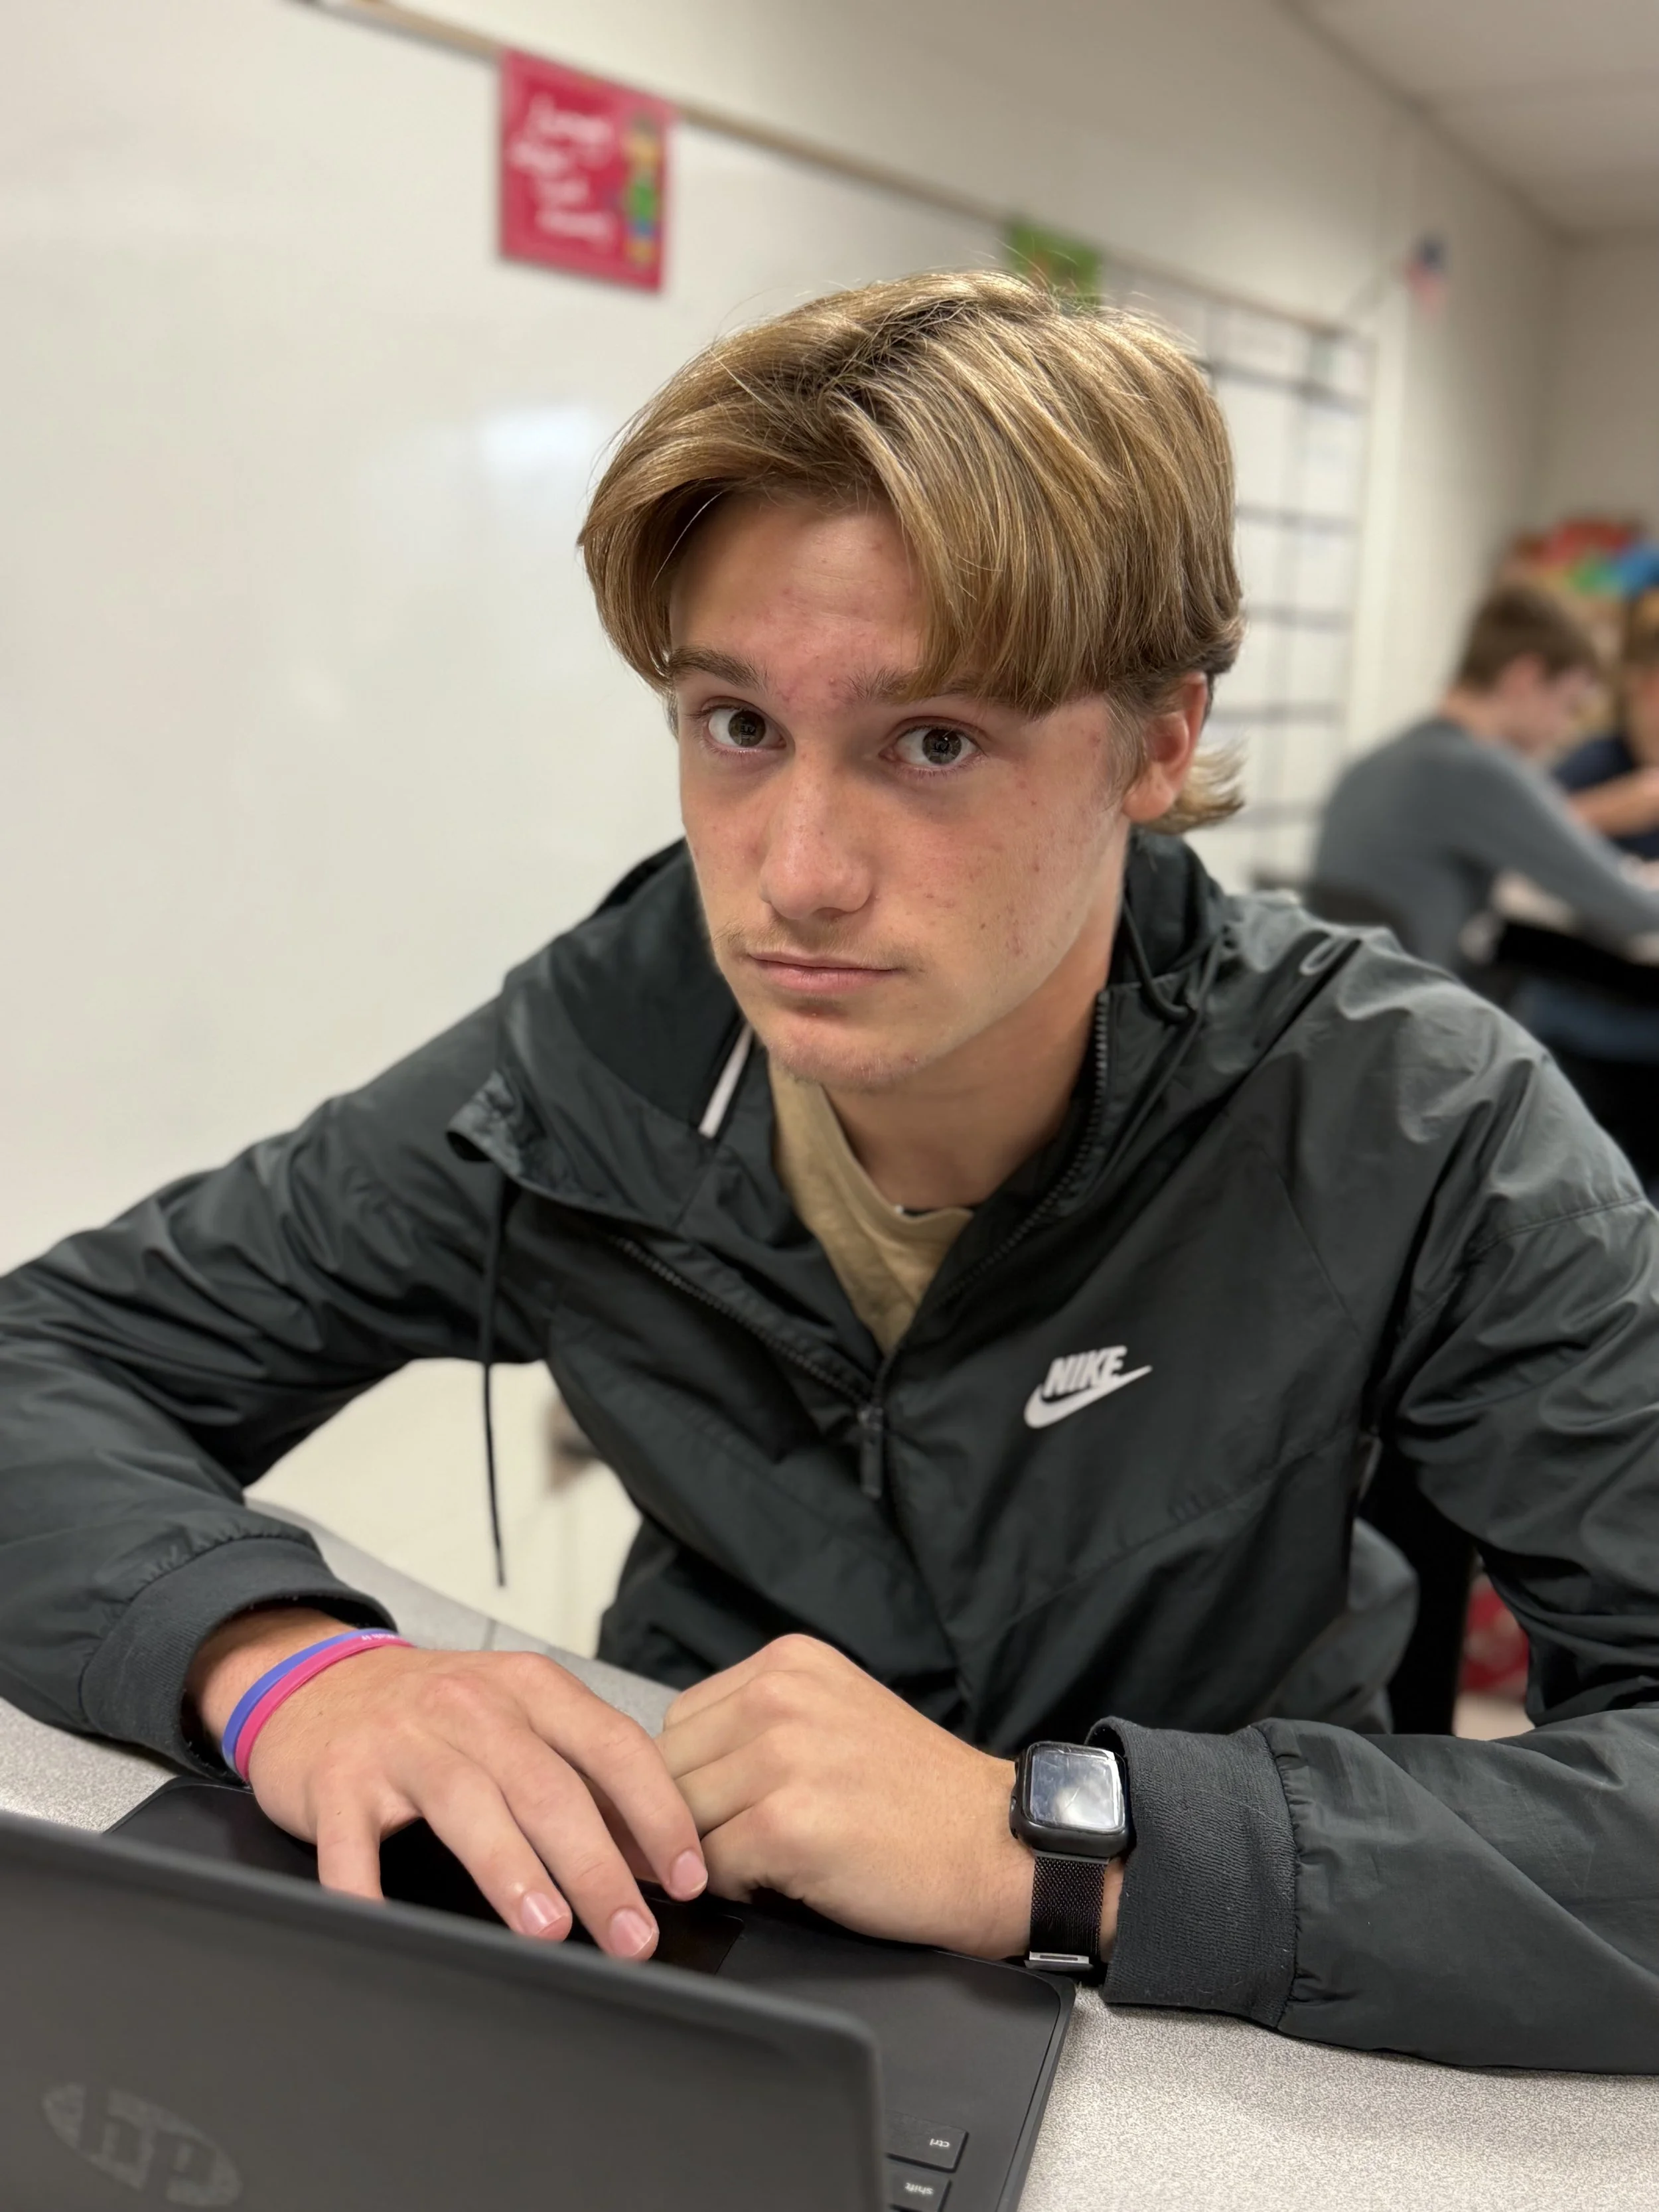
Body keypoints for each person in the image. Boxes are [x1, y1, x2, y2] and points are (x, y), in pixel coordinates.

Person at [2, 274, 1658, 2073]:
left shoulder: (1407, 1112)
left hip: (1216, 2003)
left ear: (1159, 738)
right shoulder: (595, 1060)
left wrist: (1058, 1844)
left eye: (931, 741)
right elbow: (42, 1364)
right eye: (737, 726)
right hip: (680, 1932)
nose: (791, 873)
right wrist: (289, 1665)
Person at [1312, 582, 1659, 973]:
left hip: (1355, 1008)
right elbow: (1633, 910)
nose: (1564, 731)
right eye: (1568, 705)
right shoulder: (1477, 771)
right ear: (1525, 678)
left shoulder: (1382, 760)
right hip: (1415, 1013)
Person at [1507, 621, 1659, 1192]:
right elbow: (1515, 855)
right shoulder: (1591, 767)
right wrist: (1611, 812)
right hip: (1575, 1021)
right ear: (1643, 687)